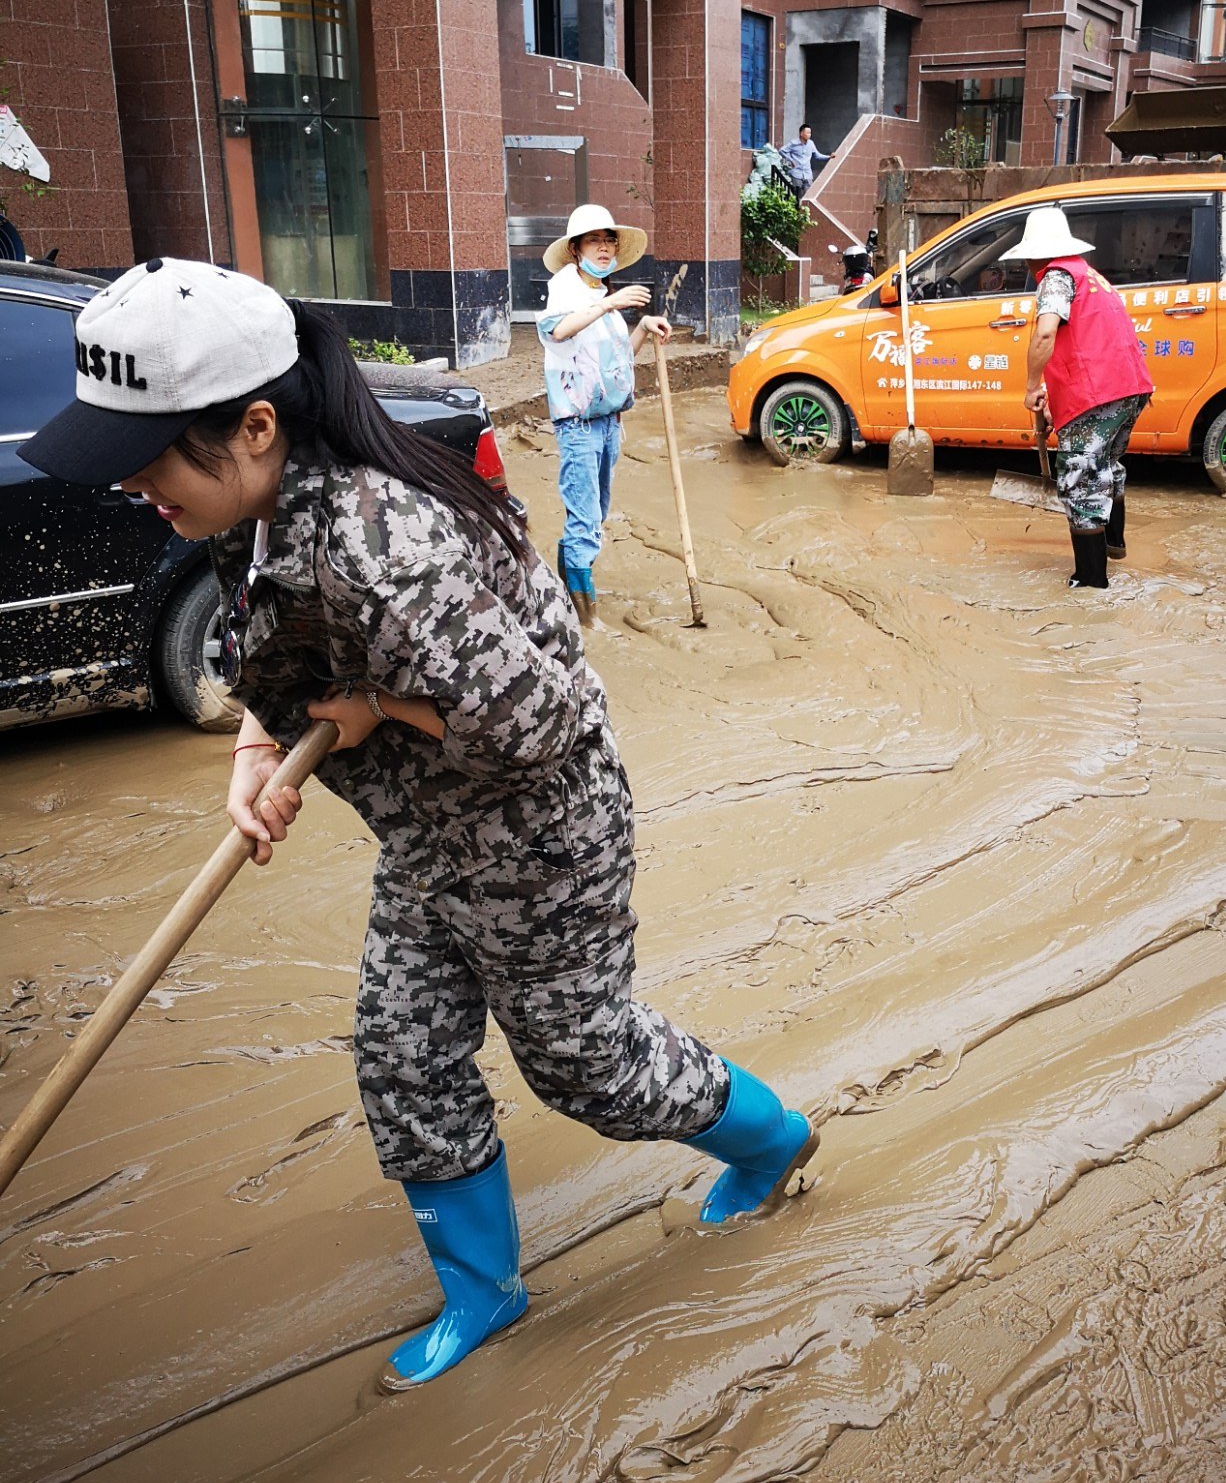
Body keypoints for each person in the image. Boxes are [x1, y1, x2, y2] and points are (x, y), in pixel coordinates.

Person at [19, 256, 819, 1391]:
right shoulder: (249, 511)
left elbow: (540, 720)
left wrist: (372, 711)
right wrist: (258, 748)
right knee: (403, 1056)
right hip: (430, 835)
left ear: (255, 427)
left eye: (150, 458)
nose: (136, 484)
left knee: (587, 1066)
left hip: (537, 835)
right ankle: (483, 1291)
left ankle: (773, 1140)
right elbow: (278, 653)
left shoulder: (383, 543)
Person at [1006, 206, 1155, 589]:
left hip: (1100, 392)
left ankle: (1090, 582)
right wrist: (1050, 397)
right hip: (1130, 388)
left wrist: (1030, 387)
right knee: (1105, 464)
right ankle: (1113, 543)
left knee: (1080, 481)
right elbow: (1084, 342)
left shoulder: (1056, 277)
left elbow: (1045, 333)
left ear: (1036, 254)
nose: (1026, 265)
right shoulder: (1088, 274)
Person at [539, 204, 669, 625]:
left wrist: (642, 328)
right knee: (585, 519)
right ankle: (587, 622)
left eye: (609, 240)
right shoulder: (566, 288)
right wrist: (611, 304)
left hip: (609, 424)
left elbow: (618, 362)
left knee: (596, 513)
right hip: (578, 425)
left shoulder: (598, 295)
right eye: (594, 240)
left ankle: (564, 596)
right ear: (575, 249)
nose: (604, 247)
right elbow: (557, 330)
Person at [778, 124, 828, 193]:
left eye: (810, 133)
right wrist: (791, 160)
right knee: (797, 195)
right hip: (796, 174)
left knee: (809, 194)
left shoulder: (811, 144)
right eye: (807, 133)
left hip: (807, 175)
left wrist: (829, 157)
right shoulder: (793, 143)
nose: (809, 135)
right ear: (801, 133)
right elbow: (781, 151)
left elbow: (817, 155)